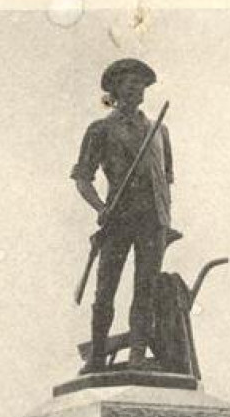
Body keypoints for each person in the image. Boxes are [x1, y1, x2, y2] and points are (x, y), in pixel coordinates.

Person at [71, 58, 175, 372]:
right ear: (115, 90)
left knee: (146, 289)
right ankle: (98, 355)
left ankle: (137, 356)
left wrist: (165, 218)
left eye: (140, 83)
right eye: (129, 83)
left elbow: (166, 178)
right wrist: (101, 208)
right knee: (106, 290)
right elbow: (82, 177)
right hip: (118, 219)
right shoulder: (101, 129)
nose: (136, 88)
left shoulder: (160, 131)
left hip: (153, 221)